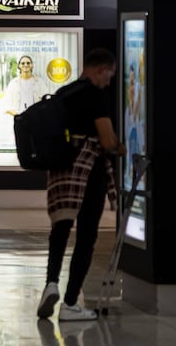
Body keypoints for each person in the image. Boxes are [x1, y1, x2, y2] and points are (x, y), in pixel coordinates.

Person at [37, 47, 126, 322]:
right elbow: (108, 141)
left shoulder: (66, 93)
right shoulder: (96, 96)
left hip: (61, 170)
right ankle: (71, 303)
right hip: (89, 173)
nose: (109, 82)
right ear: (101, 69)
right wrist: (122, 148)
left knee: (60, 229)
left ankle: (51, 282)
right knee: (86, 236)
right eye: (109, 75)